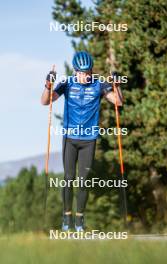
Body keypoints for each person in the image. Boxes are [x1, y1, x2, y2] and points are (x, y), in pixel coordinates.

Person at [41, 51, 123, 231]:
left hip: (89, 139)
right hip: (70, 138)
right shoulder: (67, 83)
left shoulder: (99, 84)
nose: (83, 76)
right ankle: (66, 217)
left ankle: (79, 220)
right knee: (69, 178)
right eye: (80, 72)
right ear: (75, 71)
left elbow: (118, 102)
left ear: (91, 71)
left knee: (84, 180)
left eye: (87, 72)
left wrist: (116, 84)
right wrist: (48, 85)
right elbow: (45, 102)